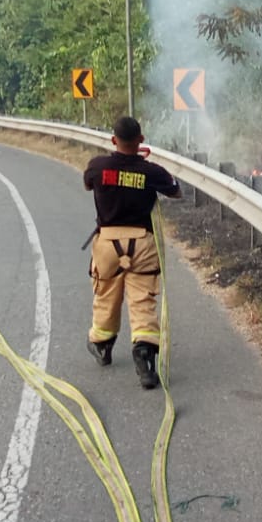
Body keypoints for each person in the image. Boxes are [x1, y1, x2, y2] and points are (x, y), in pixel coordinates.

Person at [83, 116, 180, 389]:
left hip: (107, 244)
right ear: (141, 140)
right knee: (142, 299)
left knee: (106, 295)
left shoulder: (97, 166)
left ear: (114, 140)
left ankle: (102, 345)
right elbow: (175, 191)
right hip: (142, 244)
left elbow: (88, 184)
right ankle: (144, 354)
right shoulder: (152, 172)